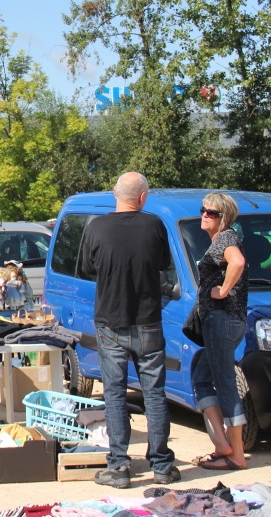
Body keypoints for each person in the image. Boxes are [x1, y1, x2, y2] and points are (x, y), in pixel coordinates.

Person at [80, 172, 179, 488]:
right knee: (154, 392)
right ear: (143, 197)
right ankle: (162, 464)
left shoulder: (96, 227)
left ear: (114, 194)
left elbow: (86, 268)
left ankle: (119, 467)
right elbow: (163, 264)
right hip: (148, 320)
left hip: (110, 320)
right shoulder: (154, 226)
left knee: (114, 392)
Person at [192, 192, 249, 471]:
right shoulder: (218, 241)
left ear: (224, 218)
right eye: (203, 210)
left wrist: (223, 290)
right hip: (222, 322)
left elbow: (237, 262)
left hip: (222, 320)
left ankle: (236, 454)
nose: (205, 215)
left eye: (212, 212)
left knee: (226, 385)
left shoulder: (226, 238)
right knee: (201, 377)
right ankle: (222, 444)